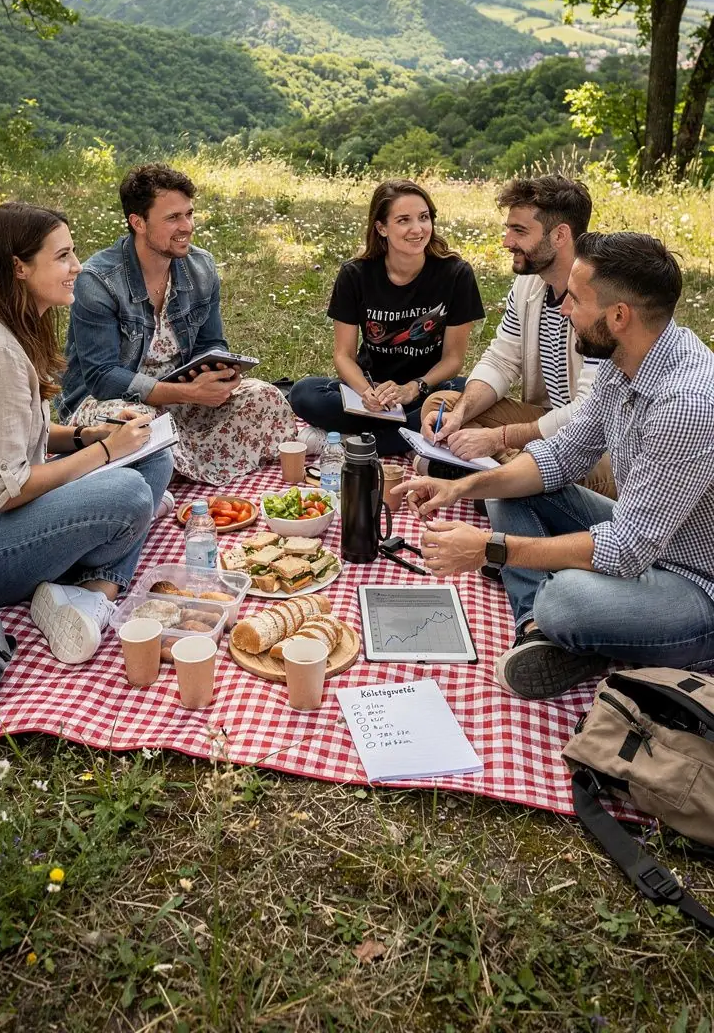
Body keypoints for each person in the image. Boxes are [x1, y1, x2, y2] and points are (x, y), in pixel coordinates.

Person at [395, 233, 714, 701]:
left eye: (576, 299)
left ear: (619, 316)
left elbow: (625, 549)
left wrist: (491, 549)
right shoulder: (624, 357)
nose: (563, 309)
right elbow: (560, 458)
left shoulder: (684, 404)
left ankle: (569, 623)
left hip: (696, 585)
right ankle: (539, 630)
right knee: (507, 489)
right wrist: (467, 488)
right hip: (651, 538)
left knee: (565, 597)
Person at [0, 203, 173, 665]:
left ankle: (88, 589)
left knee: (152, 457)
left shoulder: (12, 325)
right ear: (19, 267)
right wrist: (106, 452)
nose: (77, 266)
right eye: (62, 256)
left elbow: (25, 435)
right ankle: (99, 584)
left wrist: (89, 435)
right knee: (128, 492)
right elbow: (3, 492)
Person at [59, 164, 298, 484]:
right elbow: (103, 378)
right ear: (138, 222)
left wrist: (219, 372)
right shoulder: (97, 281)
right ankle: (168, 467)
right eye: (173, 218)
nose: (187, 226)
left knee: (263, 396)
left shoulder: (201, 266)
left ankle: (173, 466)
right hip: (108, 405)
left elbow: (211, 342)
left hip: (181, 399)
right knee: (135, 425)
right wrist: (189, 393)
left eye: (189, 214)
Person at [418, 174, 615, 499]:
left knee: (549, 462)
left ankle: (492, 484)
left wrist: (500, 438)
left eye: (519, 230)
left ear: (560, 235)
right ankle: (501, 485)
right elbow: (501, 359)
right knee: (442, 406)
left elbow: (587, 413)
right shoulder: (529, 284)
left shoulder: (598, 296)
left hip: (600, 443)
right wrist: (460, 415)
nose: (507, 241)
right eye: (509, 228)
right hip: (544, 425)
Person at [290, 179, 485, 456]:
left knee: (468, 393)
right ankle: (411, 439)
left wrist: (413, 388)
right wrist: (367, 392)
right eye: (404, 220)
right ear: (381, 228)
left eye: (424, 218)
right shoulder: (355, 275)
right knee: (304, 393)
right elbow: (343, 356)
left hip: (425, 391)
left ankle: (353, 443)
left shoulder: (456, 274)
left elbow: (453, 359)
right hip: (369, 393)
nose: (417, 229)